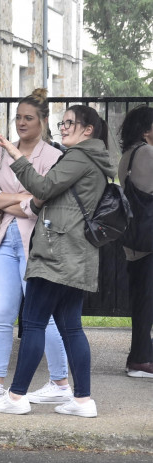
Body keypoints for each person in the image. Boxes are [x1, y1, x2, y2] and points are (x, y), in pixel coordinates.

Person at [0, 105, 114, 418]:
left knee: (32, 323)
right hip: (76, 254)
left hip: (57, 254)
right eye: (63, 122)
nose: (64, 127)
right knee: (71, 327)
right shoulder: (95, 159)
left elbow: (43, 187)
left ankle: (16, 396)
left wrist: (18, 159)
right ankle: (82, 400)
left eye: (70, 123)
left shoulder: (78, 157)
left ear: (89, 130)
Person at [0, 89, 70, 404]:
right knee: (0, 312)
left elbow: (45, 201)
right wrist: (21, 200)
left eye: (28, 118)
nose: (21, 123)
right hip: (4, 239)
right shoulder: (2, 151)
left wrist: (9, 202)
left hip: (38, 243)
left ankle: (60, 382)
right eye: (17, 117)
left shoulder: (53, 157)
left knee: (45, 315)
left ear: (43, 121)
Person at [117, 105, 153, 378]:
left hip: (134, 240)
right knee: (146, 302)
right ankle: (141, 360)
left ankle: (139, 357)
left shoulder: (127, 155)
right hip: (148, 240)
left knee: (142, 302)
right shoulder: (147, 153)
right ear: (146, 130)